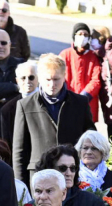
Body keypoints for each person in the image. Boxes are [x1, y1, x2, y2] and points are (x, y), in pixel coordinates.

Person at [13, 53, 94, 186]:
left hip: (70, 174)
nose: (52, 84)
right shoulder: (25, 105)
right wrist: (21, 186)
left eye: (56, 79)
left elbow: (89, 136)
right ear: (40, 79)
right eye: (48, 80)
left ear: (64, 77)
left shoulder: (80, 102)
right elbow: (19, 150)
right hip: (39, 175)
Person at [59, 23, 102, 123]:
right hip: (67, 102)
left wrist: (82, 97)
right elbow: (58, 76)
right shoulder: (65, 55)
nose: (83, 37)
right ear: (74, 36)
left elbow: (96, 81)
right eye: (80, 34)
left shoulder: (93, 57)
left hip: (88, 104)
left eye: (86, 35)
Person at [1, 61, 38, 148]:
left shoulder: (48, 102)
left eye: (31, 77)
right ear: (17, 80)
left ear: (38, 78)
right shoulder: (8, 109)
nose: (27, 81)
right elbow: (8, 142)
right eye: (23, 78)